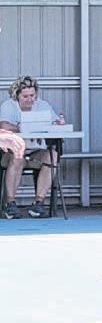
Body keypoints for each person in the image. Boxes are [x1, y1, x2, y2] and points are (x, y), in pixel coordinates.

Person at [0, 76, 64, 219]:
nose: (30, 99)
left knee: (52, 156)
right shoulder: (8, 106)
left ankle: (38, 203)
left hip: (35, 153)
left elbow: (55, 122)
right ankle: (10, 204)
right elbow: (3, 125)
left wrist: (58, 123)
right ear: (16, 95)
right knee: (17, 157)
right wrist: (20, 128)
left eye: (32, 96)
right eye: (25, 96)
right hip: (12, 154)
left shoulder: (43, 105)